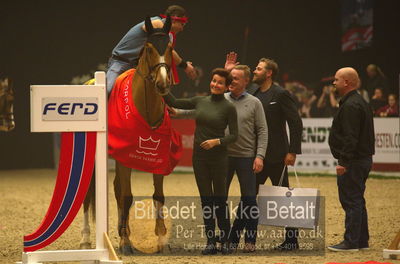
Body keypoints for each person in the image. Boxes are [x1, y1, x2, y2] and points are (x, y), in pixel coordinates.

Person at [226, 55, 303, 250]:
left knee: (284, 199)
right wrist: (229, 71)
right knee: (248, 199)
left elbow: (295, 122)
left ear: (269, 73)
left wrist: (293, 151)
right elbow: (231, 89)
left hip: (278, 157)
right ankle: (234, 238)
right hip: (257, 157)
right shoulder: (252, 91)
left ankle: (292, 240)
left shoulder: (281, 94)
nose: (254, 71)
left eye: (259, 69)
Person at [163, 68, 238, 255]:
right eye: (213, 81)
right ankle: (211, 241)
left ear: (227, 86)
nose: (215, 84)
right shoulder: (200, 101)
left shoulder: (229, 107)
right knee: (206, 201)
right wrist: (162, 85)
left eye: (220, 82)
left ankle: (226, 240)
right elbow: (174, 101)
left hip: (219, 158)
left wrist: (217, 141)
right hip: (200, 159)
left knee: (220, 200)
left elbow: (235, 136)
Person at [328, 67, 375, 252]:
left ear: (346, 82)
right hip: (361, 159)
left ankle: (351, 242)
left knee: (351, 200)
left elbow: (351, 137)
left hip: (353, 161)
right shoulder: (359, 102)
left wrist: (343, 162)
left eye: (336, 79)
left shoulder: (351, 105)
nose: (334, 82)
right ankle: (361, 240)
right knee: (357, 200)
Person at [223, 65, 268, 253]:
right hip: (223, 158)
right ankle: (225, 239)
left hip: (246, 158)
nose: (232, 81)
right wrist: (176, 111)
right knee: (219, 200)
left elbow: (262, 131)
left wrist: (259, 156)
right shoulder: (221, 99)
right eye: (230, 77)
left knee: (249, 200)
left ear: (245, 81)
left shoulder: (255, 102)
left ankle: (250, 240)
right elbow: (199, 110)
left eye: (236, 78)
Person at [106, 5, 197, 94]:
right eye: (182, 24)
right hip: (120, 63)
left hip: (138, 68)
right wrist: (185, 66)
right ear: (174, 20)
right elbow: (148, 28)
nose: (182, 29)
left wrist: (184, 65)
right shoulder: (156, 22)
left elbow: (168, 52)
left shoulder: (168, 36)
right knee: (108, 91)